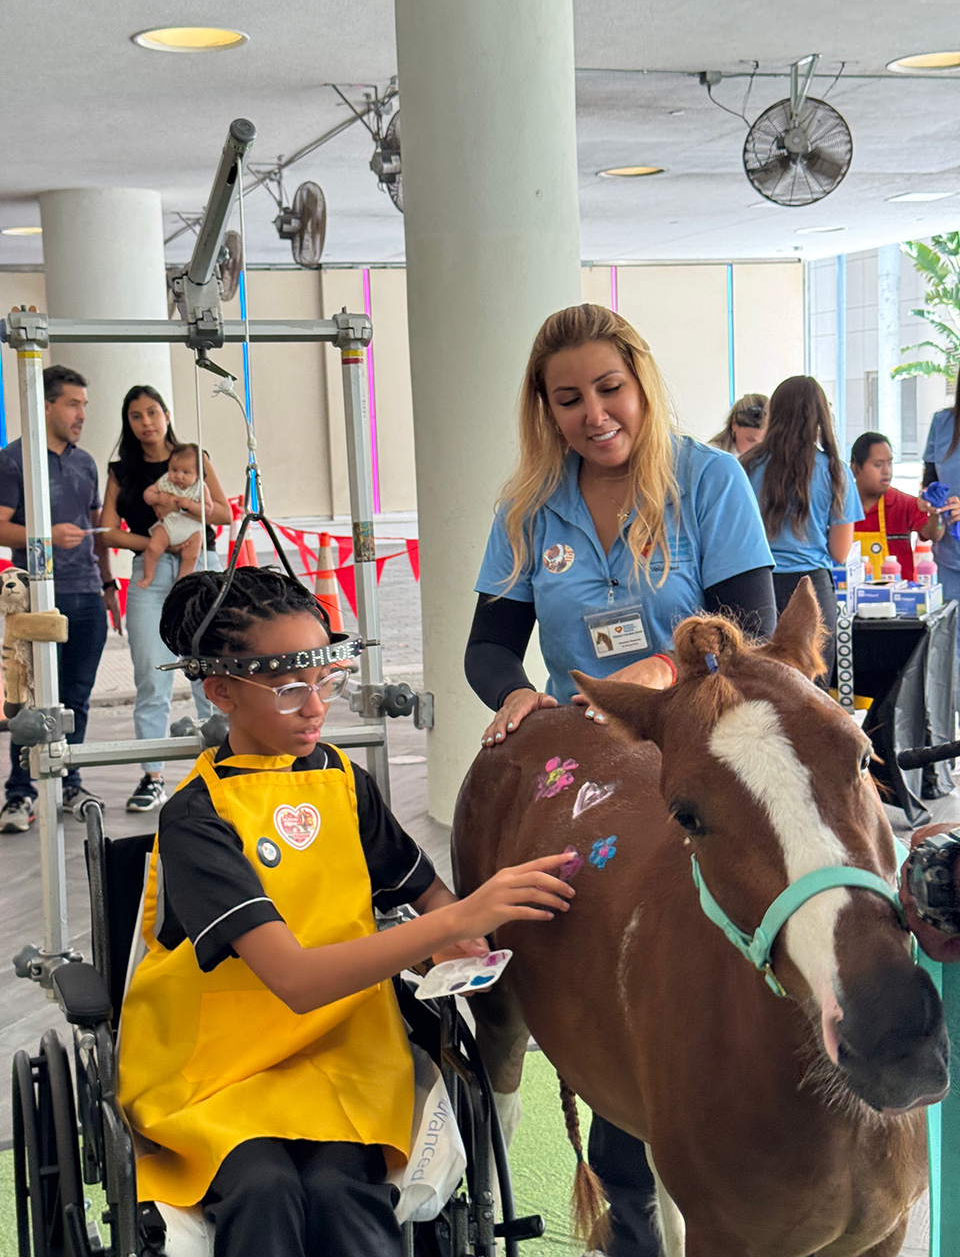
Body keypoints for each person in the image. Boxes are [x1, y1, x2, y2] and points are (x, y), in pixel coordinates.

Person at [116, 567, 576, 1257]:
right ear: (221, 693)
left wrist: (462, 940)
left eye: (326, 681)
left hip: (345, 1050)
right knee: (263, 1188)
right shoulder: (196, 816)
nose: (316, 707)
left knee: (343, 1190)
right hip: (214, 1067)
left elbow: (429, 897)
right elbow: (295, 980)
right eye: (291, 689)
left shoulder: (343, 783)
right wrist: (451, 922)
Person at [465, 303, 776, 1257]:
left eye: (609, 388)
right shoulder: (529, 504)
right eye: (569, 398)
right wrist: (517, 696)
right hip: (584, 756)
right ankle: (627, 1219)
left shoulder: (709, 478)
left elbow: (750, 627)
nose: (594, 413)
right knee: (595, 947)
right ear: (545, 408)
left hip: (697, 746)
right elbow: (486, 645)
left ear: (640, 382)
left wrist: (659, 674)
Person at [0, 366, 120, 832]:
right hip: (34, 597)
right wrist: (45, 537)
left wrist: (108, 587)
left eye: (84, 405)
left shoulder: (86, 462)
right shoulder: (13, 461)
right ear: (45, 405)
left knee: (77, 698)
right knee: (27, 699)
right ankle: (20, 792)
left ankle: (70, 781)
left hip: (87, 594)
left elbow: (98, 536)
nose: (81, 414)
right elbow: (1, 525)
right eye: (73, 404)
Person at [100, 386, 231, 813]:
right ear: (129, 422)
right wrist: (157, 543)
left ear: (167, 413)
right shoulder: (122, 471)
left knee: (206, 669)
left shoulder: (195, 456)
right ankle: (153, 775)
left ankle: (219, 767)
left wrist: (178, 507)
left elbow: (224, 514)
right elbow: (108, 531)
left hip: (201, 566)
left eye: (152, 412)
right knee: (151, 676)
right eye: (136, 416)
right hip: (150, 570)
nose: (146, 422)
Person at [742, 375, 862, 687]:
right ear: (821, 416)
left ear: (774, 413)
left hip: (756, 585)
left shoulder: (746, 467)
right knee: (811, 696)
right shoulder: (836, 471)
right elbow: (840, 551)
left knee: (761, 693)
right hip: (812, 590)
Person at [850, 430, 943, 580]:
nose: (886, 471)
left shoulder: (903, 504)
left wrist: (935, 512)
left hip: (900, 600)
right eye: (877, 464)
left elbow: (934, 534)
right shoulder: (841, 506)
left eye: (889, 463)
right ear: (855, 468)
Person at [138, 443, 212, 588]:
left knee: (191, 556)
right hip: (168, 524)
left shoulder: (200, 487)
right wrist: (157, 498)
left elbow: (208, 510)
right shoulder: (165, 481)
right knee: (153, 548)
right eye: (174, 470)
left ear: (198, 474)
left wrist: (190, 505)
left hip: (191, 529)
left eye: (186, 472)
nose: (178, 476)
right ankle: (148, 576)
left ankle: (182, 582)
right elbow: (147, 494)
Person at [922, 386, 960, 652]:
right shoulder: (942, 422)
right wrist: (928, 501)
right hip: (949, 556)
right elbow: (929, 480)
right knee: (949, 648)